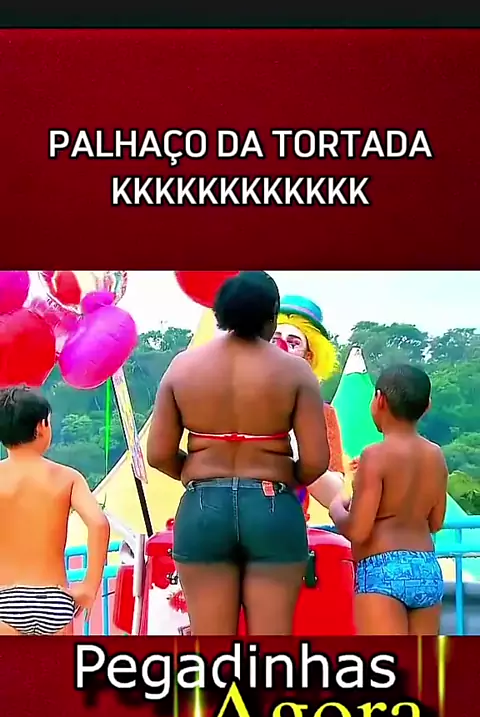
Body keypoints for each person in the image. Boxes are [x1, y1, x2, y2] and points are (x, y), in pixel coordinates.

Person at [146, 271, 330, 636]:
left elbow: (158, 453)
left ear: (219, 313)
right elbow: (316, 461)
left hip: (202, 509)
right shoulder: (295, 372)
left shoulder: (183, 366)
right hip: (272, 507)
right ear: (272, 314)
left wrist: (199, 473)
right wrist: (278, 477)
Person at [328, 364, 447, 635]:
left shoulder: (374, 455)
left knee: (385, 661)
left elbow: (359, 530)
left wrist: (337, 507)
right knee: (420, 661)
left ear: (379, 400)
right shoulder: (435, 455)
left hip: (382, 568)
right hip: (426, 567)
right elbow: (436, 522)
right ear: (427, 406)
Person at [0, 386, 110, 635]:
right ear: (42, 427)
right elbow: (98, 524)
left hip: (5, 597)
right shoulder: (68, 477)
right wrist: (89, 587)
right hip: (55, 599)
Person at [272, 295, 346, 516]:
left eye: (294, 343)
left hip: (289, 524)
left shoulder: (322, 414)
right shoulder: (236, 400)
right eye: (274, 339)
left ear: (309, 357)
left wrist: (297, 444)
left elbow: (334, 496)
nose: (281, 347)